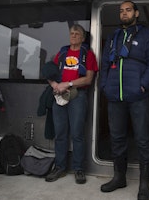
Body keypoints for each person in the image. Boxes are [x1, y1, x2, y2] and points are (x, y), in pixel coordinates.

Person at [100, 1, 149, 200]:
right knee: (117, 138)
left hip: (138, 96)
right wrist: (104, 85)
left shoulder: (147, 35)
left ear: (136, 13)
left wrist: (143, 85)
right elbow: (104, 64)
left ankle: (144, 184)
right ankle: (119, 177)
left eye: (128, 10)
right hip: (114, 96)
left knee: (143, 139)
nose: (124, 13)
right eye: (121, 11)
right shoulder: (113, 37)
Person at [45, 24, 98, 184]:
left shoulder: (87, 55)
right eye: (71, 33)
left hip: (77, 96)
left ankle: (78, 169)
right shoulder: (61, 53)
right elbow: (49, 73)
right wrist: (54, 84)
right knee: (60, 134)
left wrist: (66, 84)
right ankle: (60, 167)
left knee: (77, 134)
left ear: (83, 38)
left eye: (77, 34)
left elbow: (88, 79)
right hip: (59, 96)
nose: (73, 36)